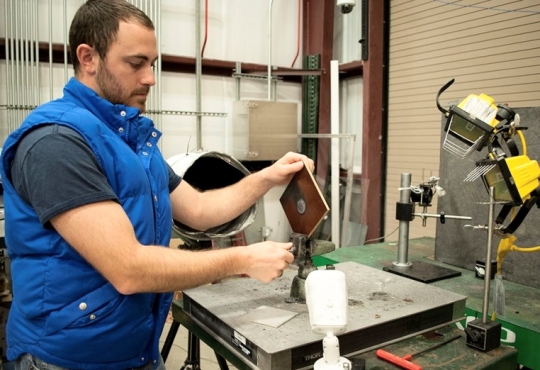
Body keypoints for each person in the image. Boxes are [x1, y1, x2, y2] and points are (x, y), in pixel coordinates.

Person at [0, 0, 314, 369]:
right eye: (136, 64)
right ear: (88, 58)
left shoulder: (129, 140)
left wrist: (266, 177)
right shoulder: (57, 142)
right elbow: (129, 269)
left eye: (153, 65)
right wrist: (242, 260)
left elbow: (198, 211)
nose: (150, 78)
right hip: (69, 357)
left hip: (136, 348)